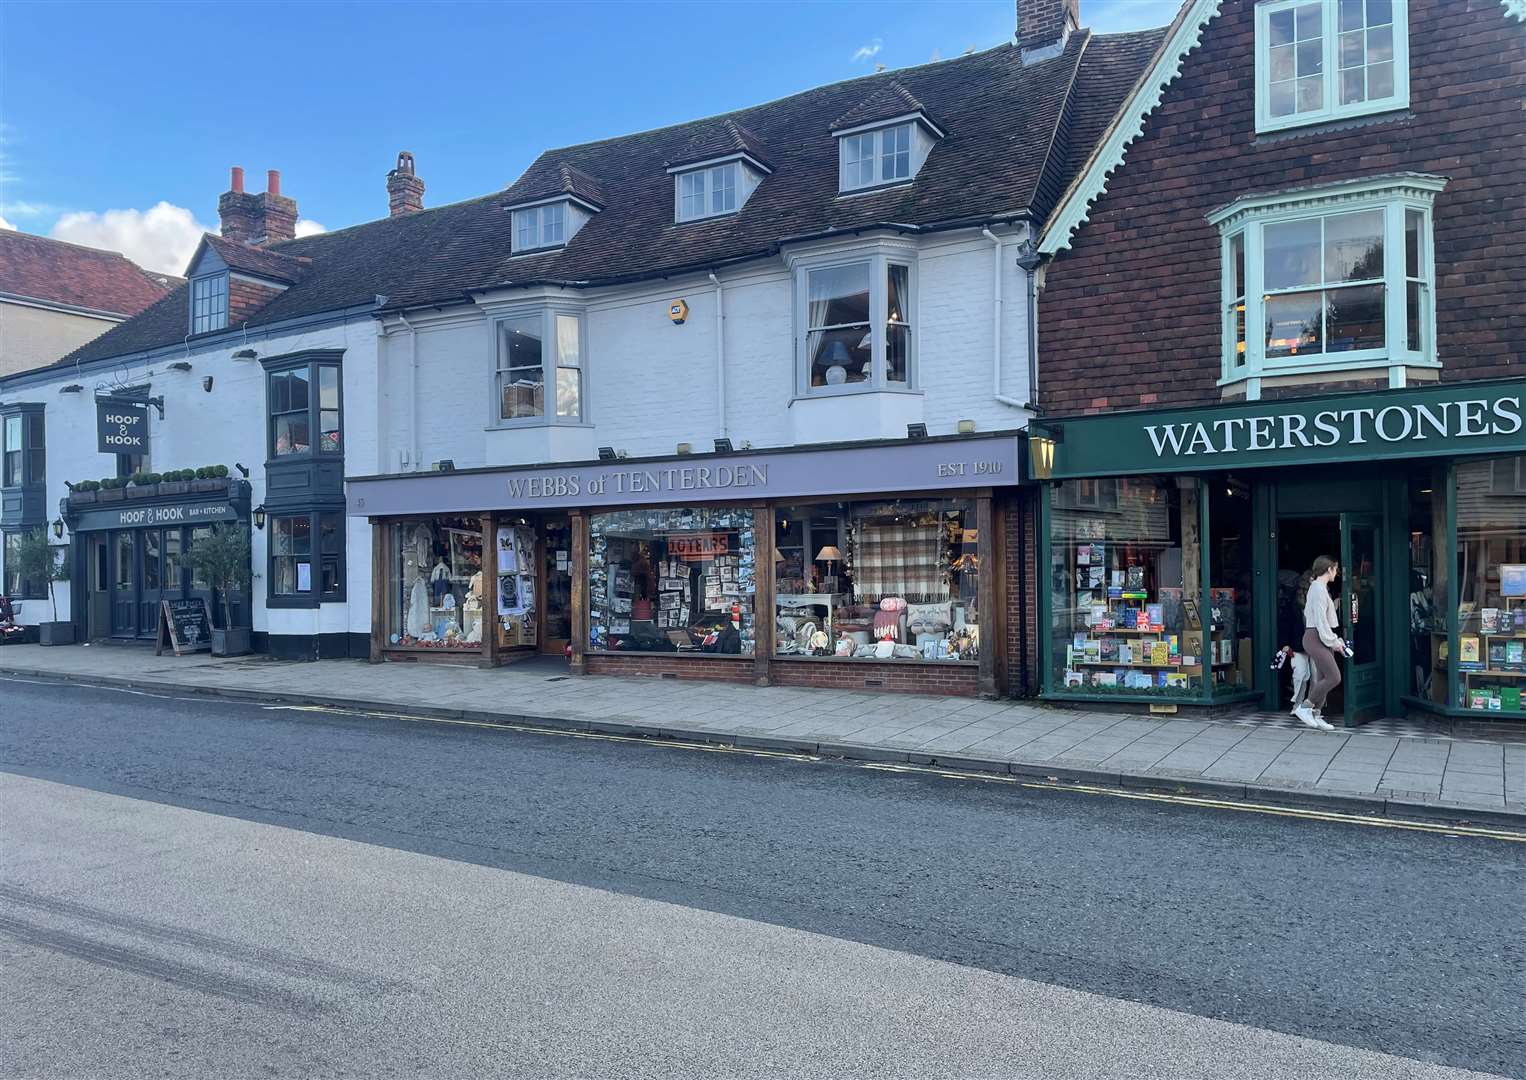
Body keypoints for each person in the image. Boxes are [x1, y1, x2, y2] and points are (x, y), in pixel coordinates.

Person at [1295, 556, 1348, 730]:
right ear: (1328, 569)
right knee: (1334, 677)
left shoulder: (1320, 589)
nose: (1336, 572)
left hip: (1320, 637)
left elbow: (1323, 621)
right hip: (1315, 637)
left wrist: (1335, 641)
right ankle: (1305, 707)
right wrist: (1334, 642)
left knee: (1323, 678)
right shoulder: (1317, 590)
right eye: (1335, 569)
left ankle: (1316, 715)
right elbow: (1320, 622)